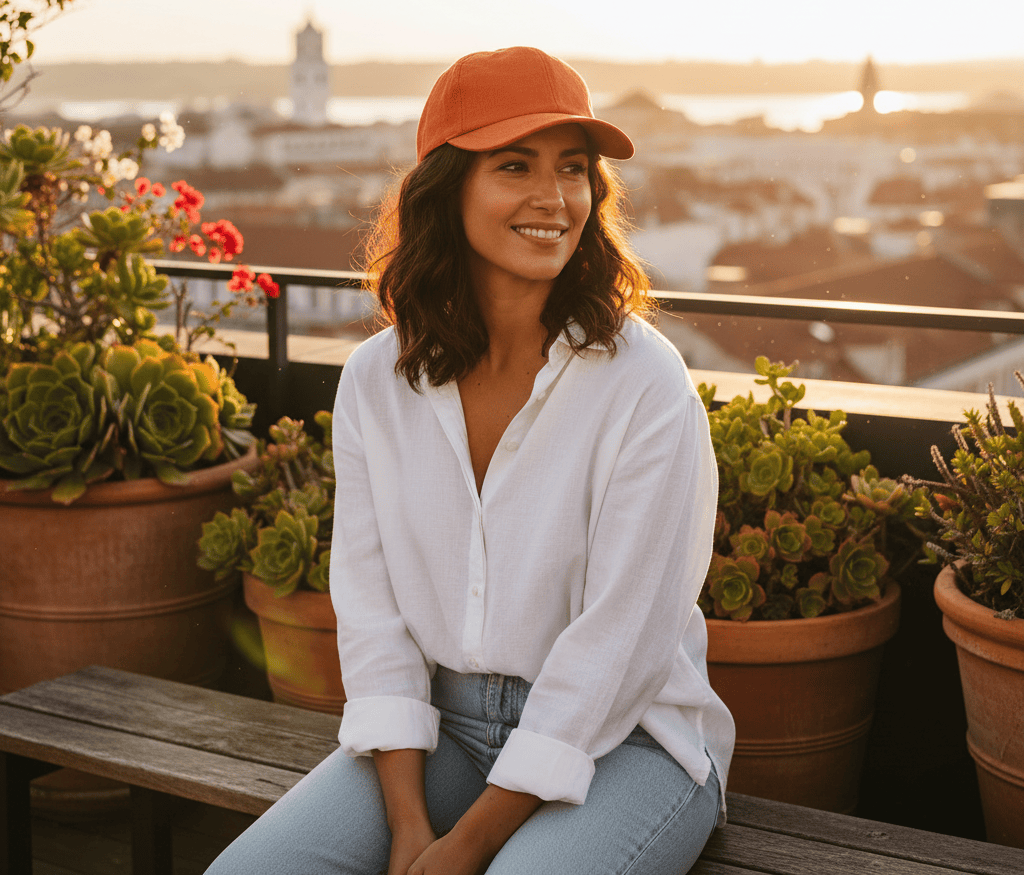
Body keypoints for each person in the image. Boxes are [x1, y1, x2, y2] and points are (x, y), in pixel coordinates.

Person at [205, 46, 735, 875]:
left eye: (573, 168)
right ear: (447, 187)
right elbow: (374, 613)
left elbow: (619, 645)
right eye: (514, 165)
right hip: (442, 731)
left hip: (629, 741)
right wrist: (410, 826)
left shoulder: (645, 383)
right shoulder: (375, 382)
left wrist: (472, 845)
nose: (553, 198)